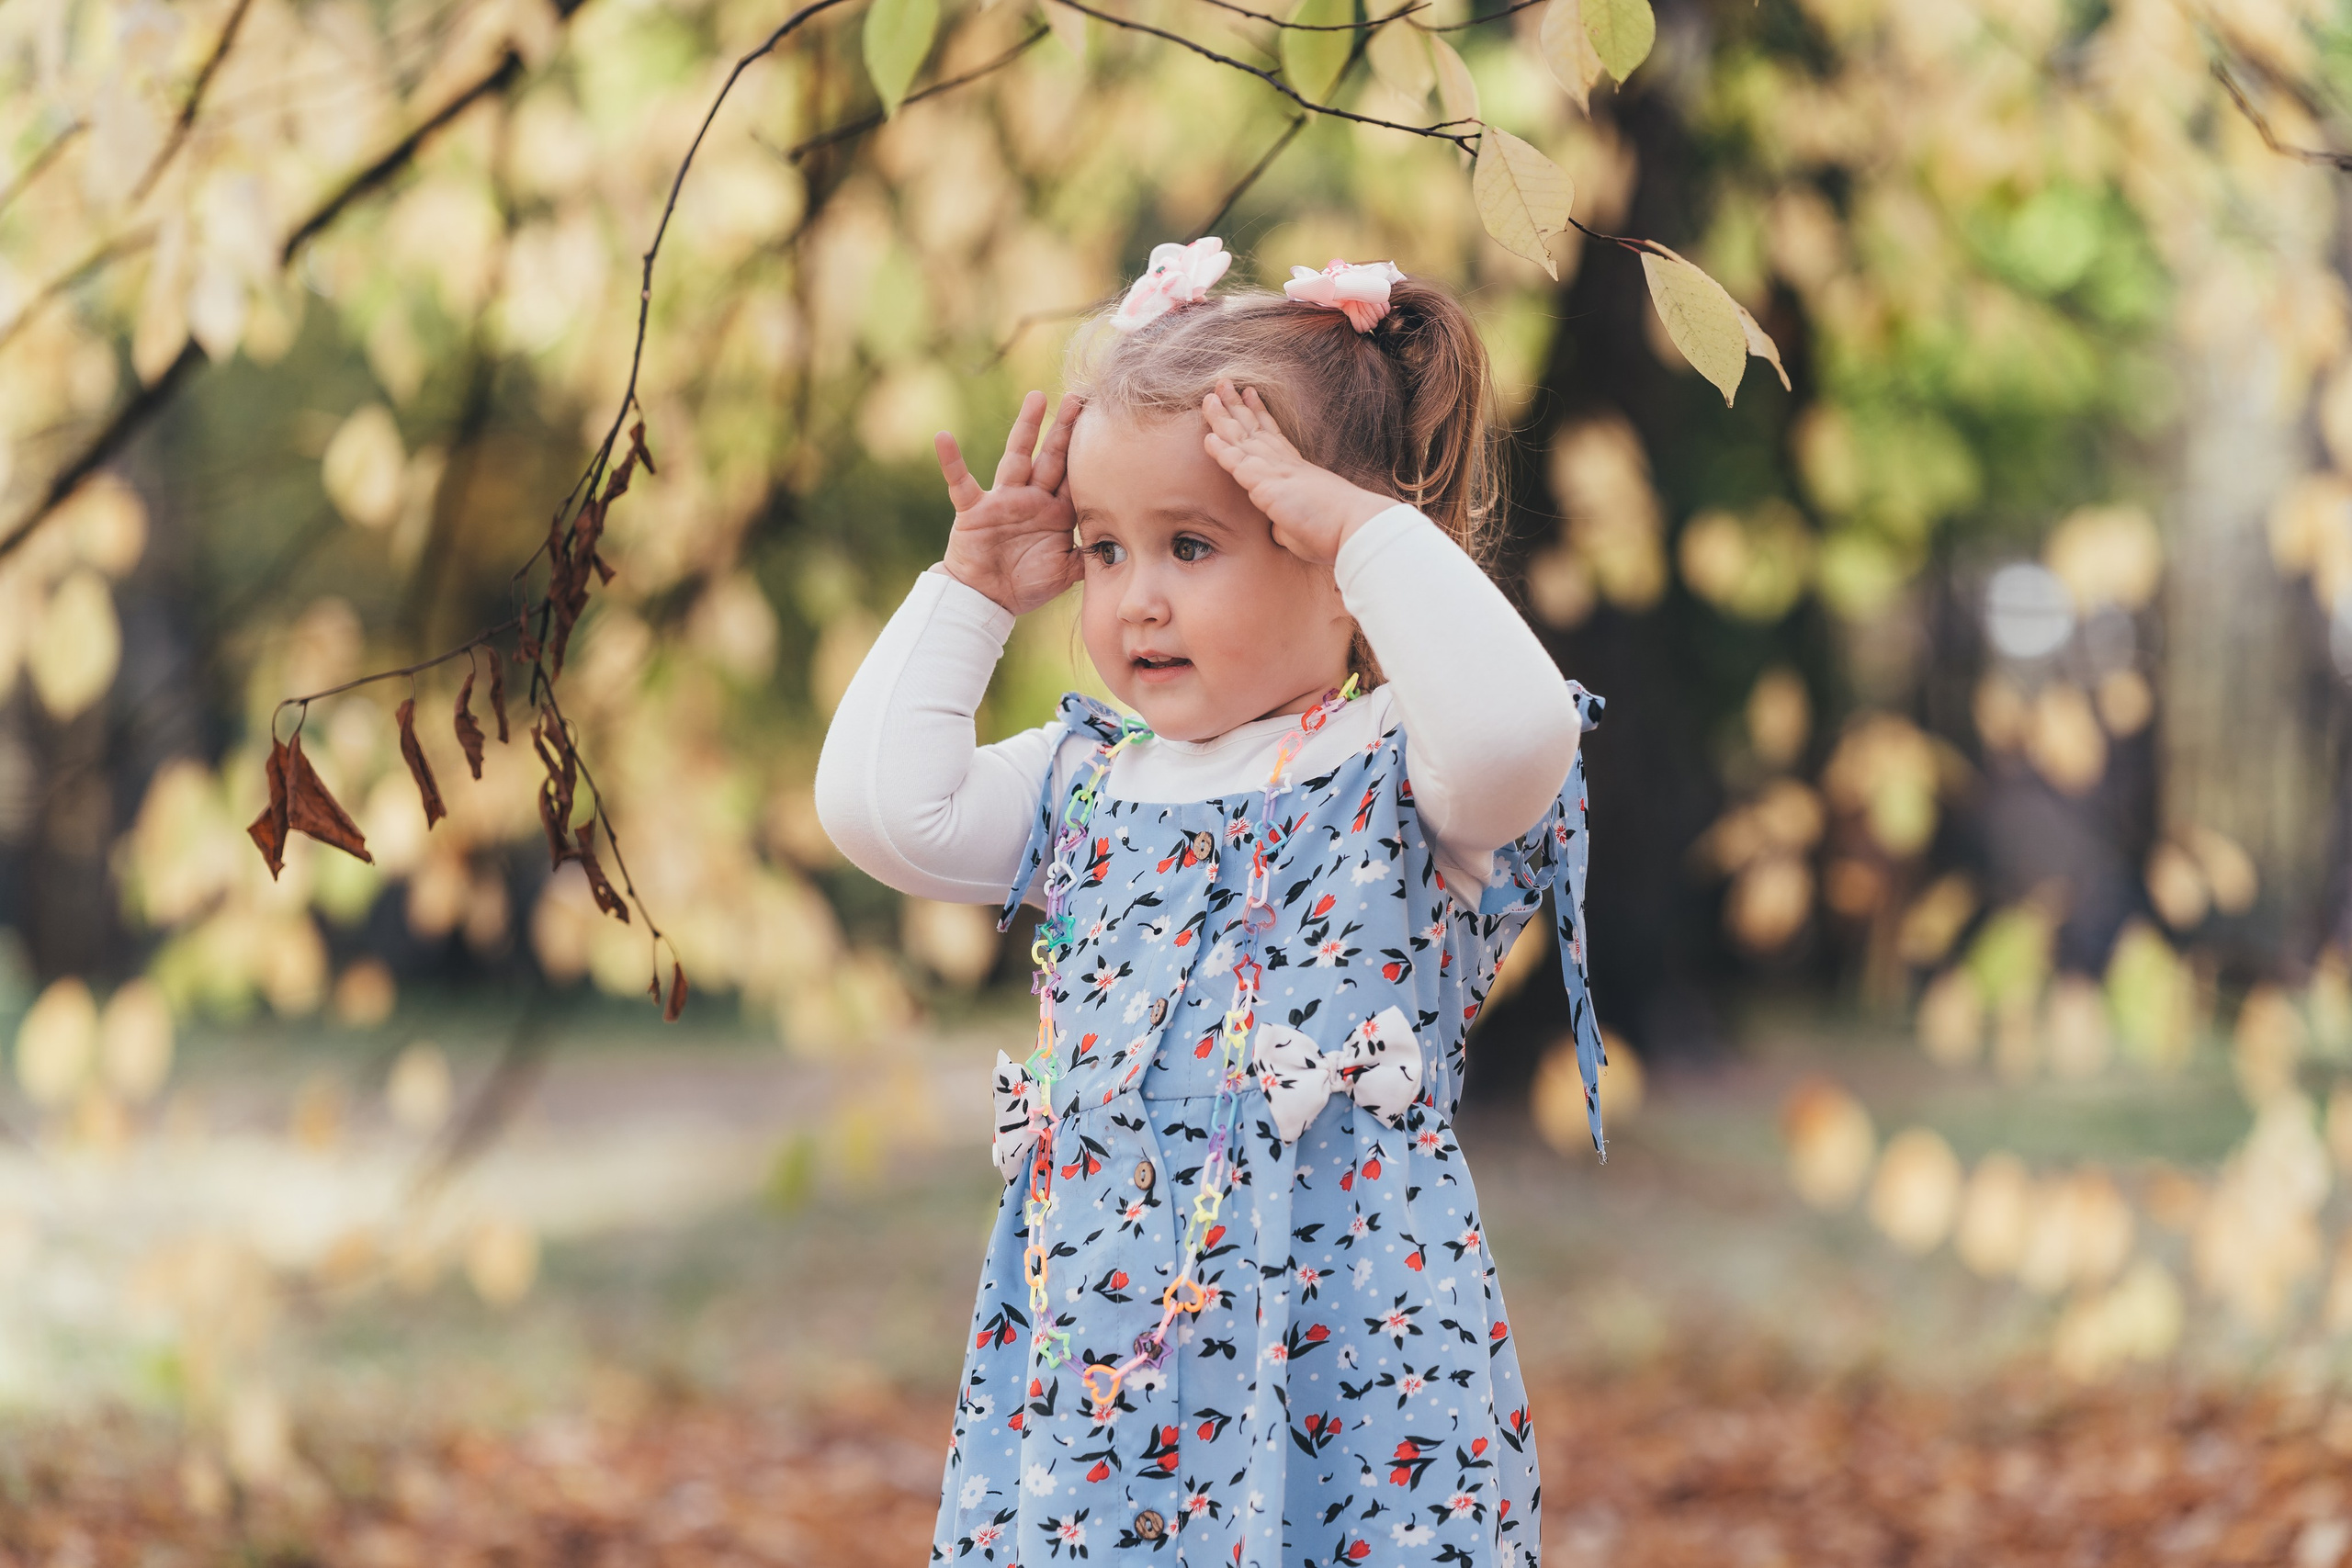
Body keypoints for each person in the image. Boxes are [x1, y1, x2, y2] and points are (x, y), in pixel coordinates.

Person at [815, 233, 1608, 1568]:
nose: (1137, 600)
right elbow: (882, 810)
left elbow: (1520, 733)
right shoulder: (1087, 782)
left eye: (1191, 544)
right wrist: (971, 597)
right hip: (1109, 1379)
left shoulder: (1402, 769)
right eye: (1103, 549)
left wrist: (1363, 527)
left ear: (1327, 553)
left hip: (1354, 1357)